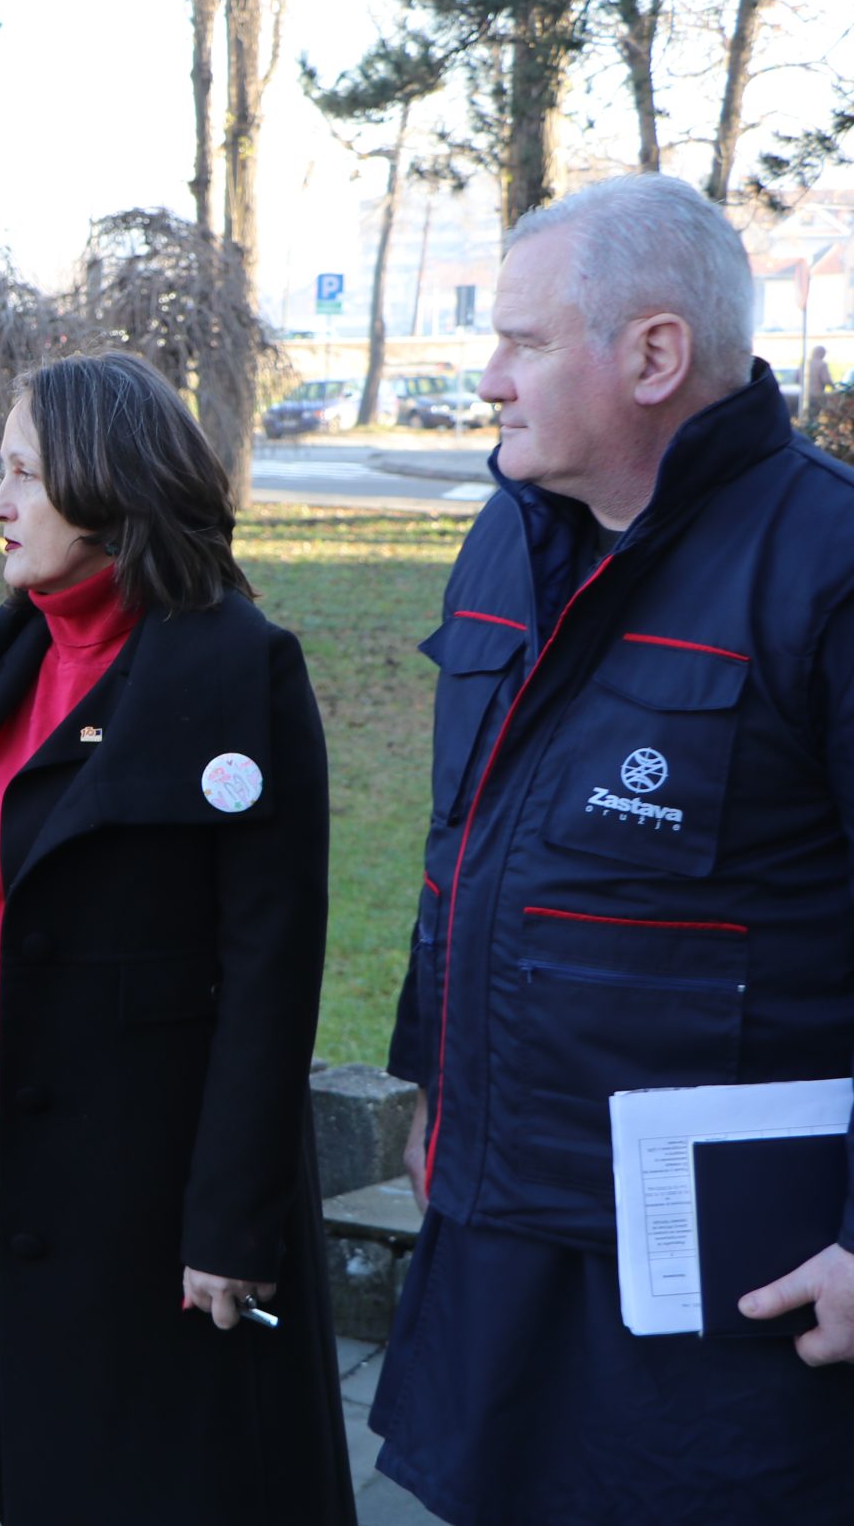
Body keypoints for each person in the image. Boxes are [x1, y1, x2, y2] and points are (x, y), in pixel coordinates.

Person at [374, 172, 854, 1525]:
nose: (486, 379)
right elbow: (458, 849)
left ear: (654, 354)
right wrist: (432, 1078)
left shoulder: (827, 561)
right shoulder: (507, 539)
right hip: (504, 1231)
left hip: (731, 1295)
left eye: (521, 340)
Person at [0, 352, 355, 1526]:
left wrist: (232, 1221)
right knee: (33, 1468)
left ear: (104, 483)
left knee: (146, 1483)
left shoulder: (239, 671)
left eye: (22, 473)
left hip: (144, 1199)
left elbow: (274, 971)